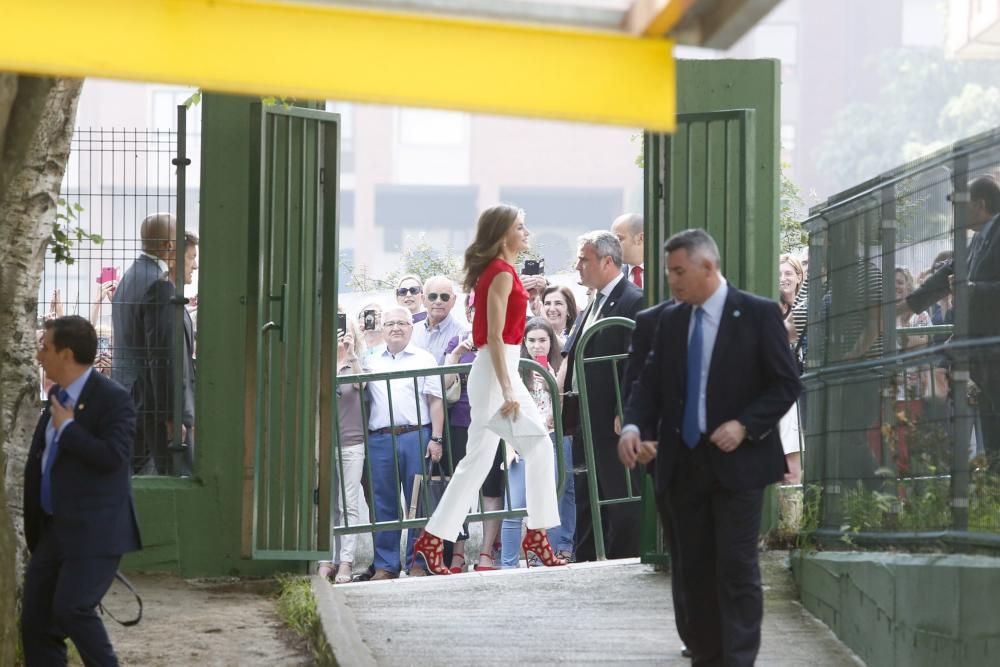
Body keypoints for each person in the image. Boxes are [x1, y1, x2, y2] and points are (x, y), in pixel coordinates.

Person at [619, 229, 802, 666]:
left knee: (736, 567)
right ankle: (707, 655)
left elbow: (786, 383)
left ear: (708, 267)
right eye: (669, 272)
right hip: (683, 462)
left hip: (739, 464)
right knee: (694, 571)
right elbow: (649, 385)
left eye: (680, 271)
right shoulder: (670, 320)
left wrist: (745, 424)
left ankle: (738, 660)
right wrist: (633, 427)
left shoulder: (757, 315)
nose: (673, 281)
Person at [416, 204, 565, 575]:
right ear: (502, 235)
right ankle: (537, 531)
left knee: (479, 462)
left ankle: (434, 537)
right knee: (537, 446)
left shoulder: (502, 272)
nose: (527, 232)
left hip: (499, 371)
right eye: (520, 227)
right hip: (498, 372)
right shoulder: (499, 273)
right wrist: (508, 387)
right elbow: (495, 338)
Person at [22, 315, 143, 666]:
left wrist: (71, 429)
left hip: (95, 532)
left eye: (45, 347)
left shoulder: (113, 399)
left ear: (67, 354)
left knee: (72, 609)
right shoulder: (57, 396)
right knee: (37, 622)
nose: (39, 354)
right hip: (54, 529)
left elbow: (113, 458)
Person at [904, 175, 1000, 468]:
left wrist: (970, 290)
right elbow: (948, 271)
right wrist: (907, 305)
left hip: (993, 351)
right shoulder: (978, 241)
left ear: (980, 205)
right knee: (993, 437)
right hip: (985, 360)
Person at [560, 230, 644, 560]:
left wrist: (626, 410)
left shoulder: (633, 300)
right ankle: (587, 561)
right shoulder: (593, 301)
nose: (578, 265)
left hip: (612, 420)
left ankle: (625, 561)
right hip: (585, 416)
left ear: (607, 261)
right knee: (586, 494)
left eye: (585, 259)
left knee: (620, 496)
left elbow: (639, 359)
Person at [364, 306, 445, 579]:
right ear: (382, 328)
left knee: (418, 501)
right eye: (390, 323)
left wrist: (436, 437)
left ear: (412, 328)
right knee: (383, 503)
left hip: (416, 436)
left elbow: (436, 400)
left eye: (402, 323)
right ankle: (385, 565)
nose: (396, 327)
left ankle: (418, 562)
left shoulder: (424, 358)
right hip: (380, 438)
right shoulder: (370, 360)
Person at [499, 317, 575, 567]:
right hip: (522, 440)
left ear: (551, 342)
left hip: (551, 438)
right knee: (514, 506)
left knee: (548, 503)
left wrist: (554, 385)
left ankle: (546, 558)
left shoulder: (560, 366)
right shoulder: (515, 368)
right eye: (531, 340)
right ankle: (508, 564)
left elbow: (561, 414)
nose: (537, 346)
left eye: (543, 340)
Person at [442, 293, 505, 572]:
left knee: (492, 488)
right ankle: (458, 553)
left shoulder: (503, 339)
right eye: (475, 310)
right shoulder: (457, 341)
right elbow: (443, 385)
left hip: (493, 423)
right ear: (468, 313)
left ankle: (486, 552)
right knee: (462, 487)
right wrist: (456, 354)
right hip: (460, 422)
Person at [112, 211, 175, 474]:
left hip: (124, 385)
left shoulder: (129, 276)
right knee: (148, 473)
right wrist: (169, 410)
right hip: (145, 393)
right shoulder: (157, 284)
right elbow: (157, 351)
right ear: (168, 246)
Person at [318, 312, 367, 584]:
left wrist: (350, 356)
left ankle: (346, 562)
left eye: (345, 328)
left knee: (349, 504)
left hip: (352, 442)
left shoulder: (358, 361)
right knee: (327, 503)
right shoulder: (319, 361)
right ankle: (326, 559)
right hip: (324, 442)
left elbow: (363, 386)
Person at [147, 231, 199, 477]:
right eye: (191, 257)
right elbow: (165, 359)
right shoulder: (164, 297)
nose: (195, 265)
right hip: (174, 416)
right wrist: (172, 416)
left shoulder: (170, 296)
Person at [778, 254, 807, 484]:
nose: (783, 278)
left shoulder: (805, 308)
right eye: (779, 274)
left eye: (788, 273)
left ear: (799, 277)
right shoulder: (771, 308)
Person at [412, 275, 468, 363]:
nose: (438, 301)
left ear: (453, 300)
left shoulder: (462, 335)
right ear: (423, 300)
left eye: (444, 297)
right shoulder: (411, 331)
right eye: (433, 296)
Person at [611, 213, 645, 289]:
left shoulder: (663, 271)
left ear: (640, 238)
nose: (613, 246)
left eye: (619, 239)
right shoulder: (612, 276)